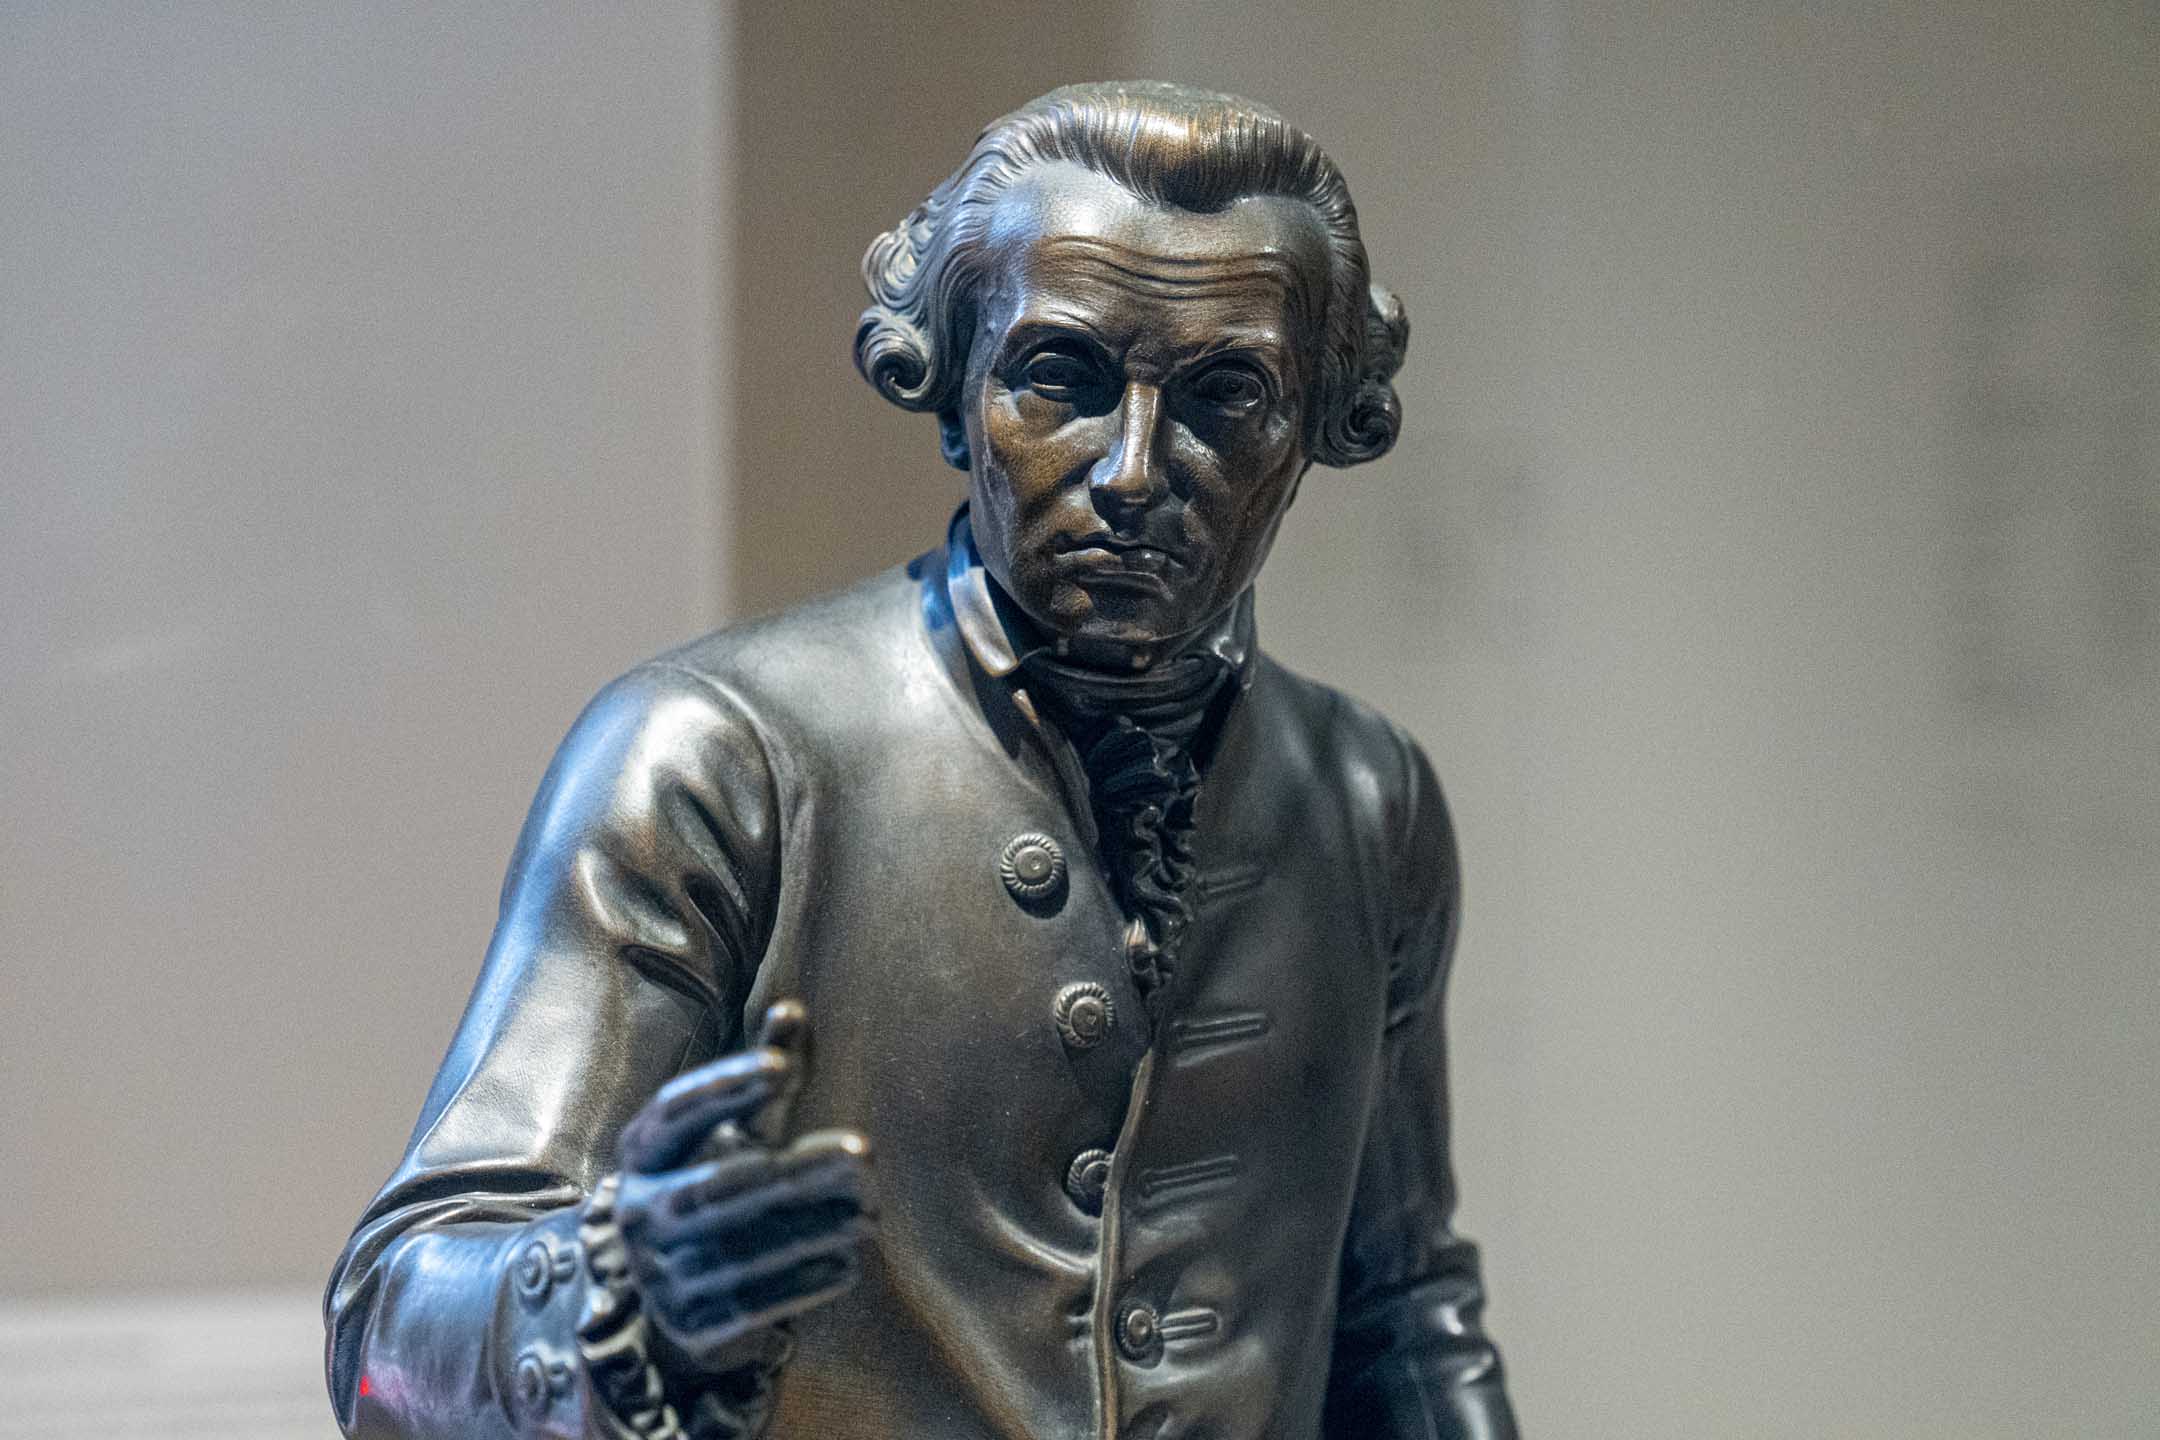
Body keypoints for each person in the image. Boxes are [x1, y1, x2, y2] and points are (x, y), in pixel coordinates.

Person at [326, 80, 1519, 1440]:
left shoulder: (1369, 803)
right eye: (1061, 378)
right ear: (950, 391)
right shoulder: (716, 761)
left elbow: (1400, 1311)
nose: (1134, 471)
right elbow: (391, 1316)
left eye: (1226, 397)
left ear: (1317, 432)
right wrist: (609, 1292)